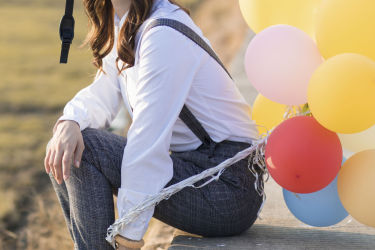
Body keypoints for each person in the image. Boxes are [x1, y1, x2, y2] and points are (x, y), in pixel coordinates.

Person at [44, 0, 263, 249]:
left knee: (86, 149)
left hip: (227, 186)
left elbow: (148, 143)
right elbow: (103, 92)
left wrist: (128, 237)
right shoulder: (128, 23)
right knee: (64, 142)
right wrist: (69, 121)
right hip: (200, 170)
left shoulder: (162, 35)